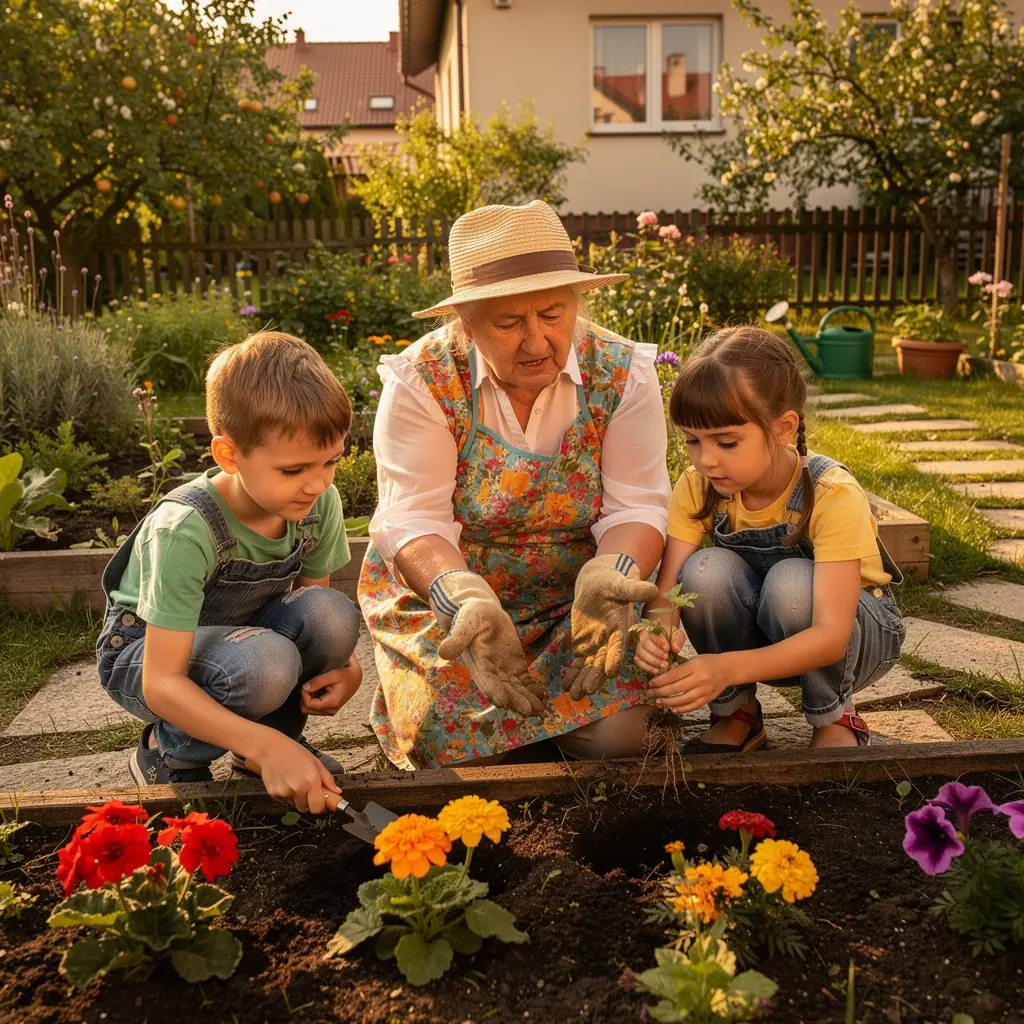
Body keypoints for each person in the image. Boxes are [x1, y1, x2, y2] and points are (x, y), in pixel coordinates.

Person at [358, 200, 671, 769]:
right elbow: (413, 519)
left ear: (578, 302)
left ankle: (540, 727)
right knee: (443, 740)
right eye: (508, 323)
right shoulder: (421, 381)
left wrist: (612, 574)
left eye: (554, 314)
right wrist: (463, 597)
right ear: (465, 321)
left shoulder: (624, 373)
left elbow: (639, 505)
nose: (536, 341)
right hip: (456, 607)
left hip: (575, 602)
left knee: (619, 741)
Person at [96, 331, 363, 813]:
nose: (317, 483)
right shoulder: (185, 529)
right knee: (264, 663)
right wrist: (264, 742)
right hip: (144, 655)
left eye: (331, 462)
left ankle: (262, 754)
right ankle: (167, 753)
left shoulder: (318, 503)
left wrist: (349, 670)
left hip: (240, 644)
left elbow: (313, 614)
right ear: (229, 455)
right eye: (293, 470)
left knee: (333, 615)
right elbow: (162, 682)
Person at [634, 327, 906, 751]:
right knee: (703, 570)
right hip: (763, 636)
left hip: (853, 640)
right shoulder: (700, 485)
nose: (706, 459)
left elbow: (832, 636)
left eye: (727, 442)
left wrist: (723, 667)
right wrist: (656, 629)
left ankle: (835, 717)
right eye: (692, 441)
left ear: (783, 429)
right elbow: (667, 592)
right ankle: (736, 713)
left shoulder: (831, 493)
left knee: (792, 581)